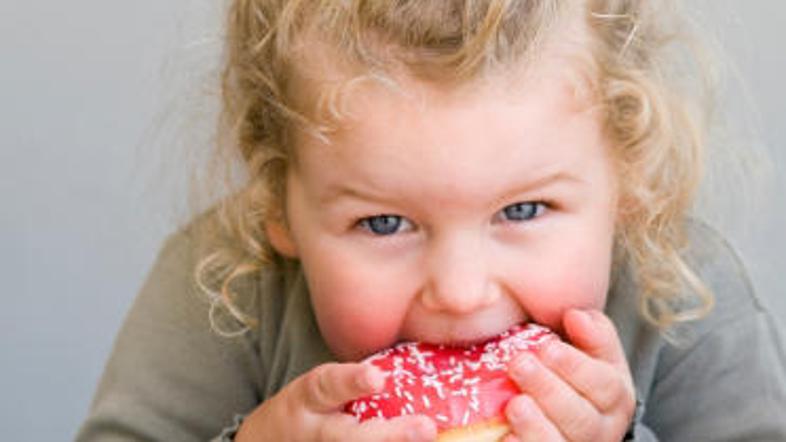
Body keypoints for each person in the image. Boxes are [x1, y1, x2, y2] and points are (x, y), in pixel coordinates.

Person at [76, 1, 786, 441]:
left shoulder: (687, 297)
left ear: (627, 181)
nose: (460, 291)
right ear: (277, 205)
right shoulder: (226, 285)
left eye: (523, 210)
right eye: (385, 224)